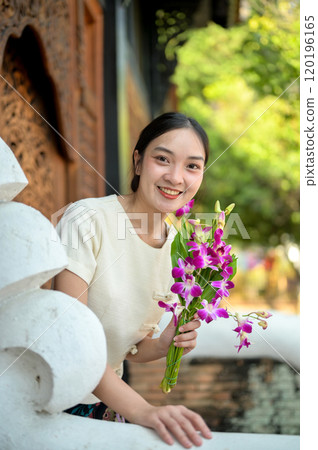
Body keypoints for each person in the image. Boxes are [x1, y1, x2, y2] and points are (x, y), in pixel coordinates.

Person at [54, 112, 213, 448]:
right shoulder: (87, 219)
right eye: (162, 159)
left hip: (105, 408)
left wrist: (163, 343)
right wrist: (145, 411)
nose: (175, 177)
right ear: (138, 162)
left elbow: (126, 349)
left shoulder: (182, 250)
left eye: (192, 166)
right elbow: (72, 343)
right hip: (51, 398)